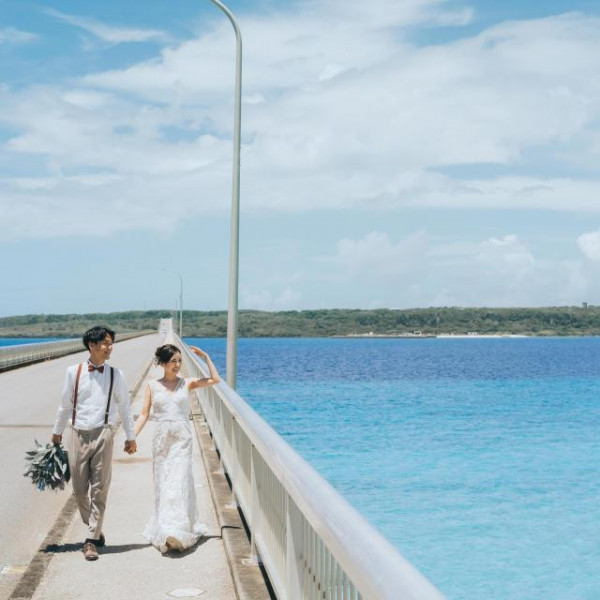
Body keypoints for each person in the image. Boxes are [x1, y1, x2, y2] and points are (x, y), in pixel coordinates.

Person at [51, 325, 137, 561]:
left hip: (103, 434)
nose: (110, 347)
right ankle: (96, 531)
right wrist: (57, 431)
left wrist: (131, 437)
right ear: (92, 345)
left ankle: (90, 540)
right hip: (77, 433)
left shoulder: (116, 375)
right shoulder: (73, 371)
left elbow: (125, 408)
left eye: (111, 343)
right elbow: (65, 404)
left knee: (99, 489)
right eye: (105, 343)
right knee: (79, 490)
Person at [134, 343, 220, 554]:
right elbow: (144, 414)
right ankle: (165, 530)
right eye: (173, 361)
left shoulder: (187, 383)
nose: (178, 365)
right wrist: (131, 436)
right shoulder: (152, 385)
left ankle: (179, 532)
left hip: (182, 439)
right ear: (163, 363)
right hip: (162, 440)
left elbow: (215, 380)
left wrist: (206, 356)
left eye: (180, 361)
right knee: (164, 484)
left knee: (179, 481)